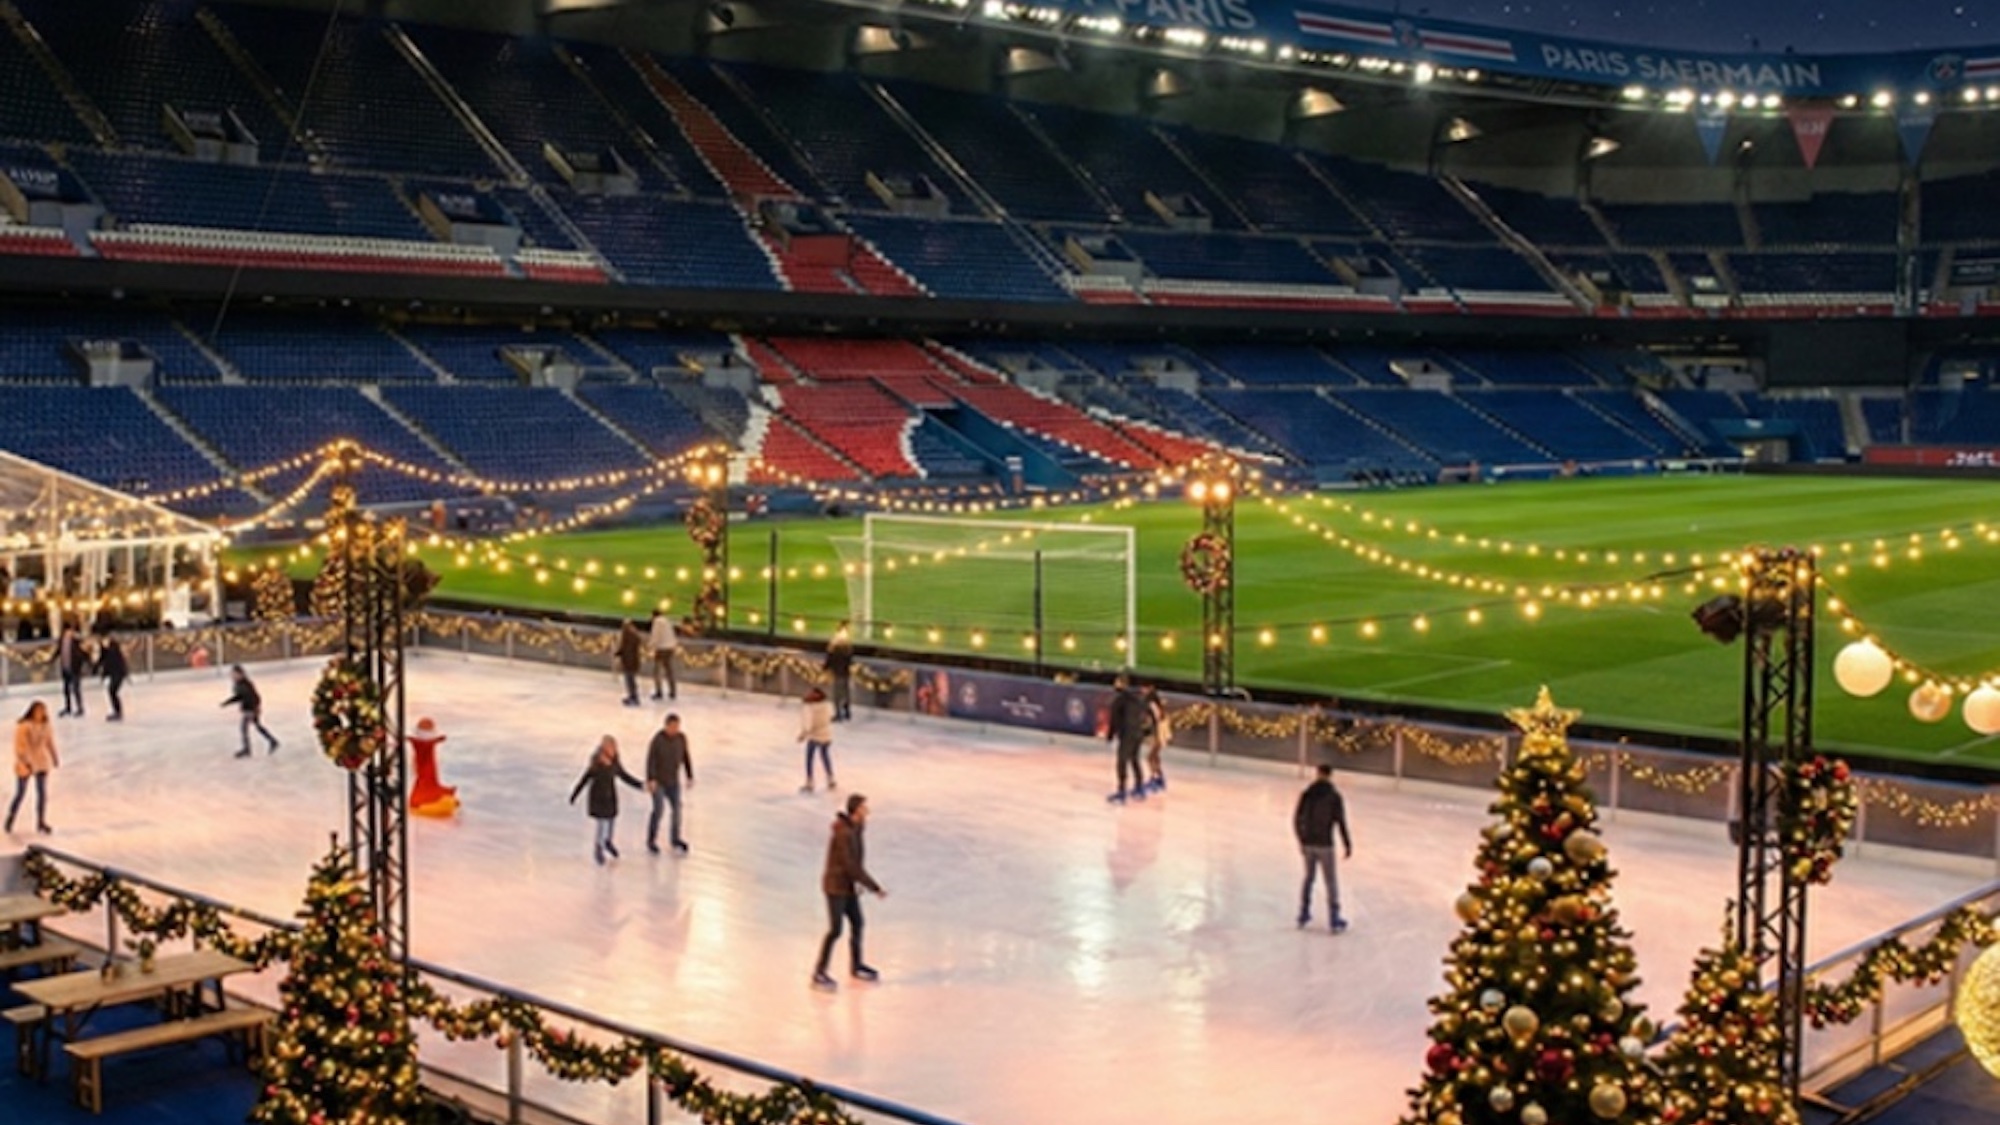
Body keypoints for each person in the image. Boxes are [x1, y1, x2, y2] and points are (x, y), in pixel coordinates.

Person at [812, 793, 885, 990]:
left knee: (858, 923)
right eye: (864, 808)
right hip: (836, 887)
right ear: (856, 811)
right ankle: (819, 972)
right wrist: (873, 886)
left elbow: (856, 861)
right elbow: (850, 865)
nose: (867, 811)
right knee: (835, 930)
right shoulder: (844, 833)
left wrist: (859, 883)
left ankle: (856, 966)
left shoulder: (856, 828)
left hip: (848, 886)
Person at [1293, 763, 1354, 932]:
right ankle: (1334, 918)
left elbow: (1297, 819)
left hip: (1309, 843)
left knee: (1308, 878)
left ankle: (1303, 912)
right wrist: (1347, 843)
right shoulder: (1334, 797)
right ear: (1330, 775)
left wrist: (1301, 839)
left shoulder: (1307, 794)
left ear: (1318, 773)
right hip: (1325, 844)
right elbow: (1341, 822)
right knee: (1330, 881)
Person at [569, 735, 642, 865]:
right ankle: (598, 848)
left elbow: (624, 776)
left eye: (614, 748)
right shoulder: (596, 763)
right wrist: (575, 794)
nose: (613, 750)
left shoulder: (615, 763)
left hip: (610, 797)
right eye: (610, 747)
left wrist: (641, 785)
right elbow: (585, 779)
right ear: (604, 748)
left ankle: (608, 842)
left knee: (611, 822)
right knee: (602, 824)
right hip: (598, 798)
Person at [645, 713, 694, 855]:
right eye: (672, 726)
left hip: (673, 781)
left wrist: (689, 775)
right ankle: (651, 840)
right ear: (666, 726)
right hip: (659, 782)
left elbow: (686, 757)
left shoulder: (681, 739)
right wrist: (651, 779)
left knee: (677, 810)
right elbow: (651, 760)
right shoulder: (657, 740)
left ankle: (675, 838)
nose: (675, 729)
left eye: (677, 726)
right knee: (658, 810)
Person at [7, 701, 58, 835]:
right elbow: (20, 747)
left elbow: (49, 742)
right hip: (26, 763)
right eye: (39, 711)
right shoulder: (23, 726)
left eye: (43, 711)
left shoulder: (45, 726)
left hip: (41, 761)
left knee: (42, 794)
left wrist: (54, 757)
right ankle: (11, 818)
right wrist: (26, 761)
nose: (41, 714)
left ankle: (41, 821)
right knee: (20, 793)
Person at [1104, 673, 1150, 804]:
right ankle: (1139, 787)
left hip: (1127, 734)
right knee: (1134, 759)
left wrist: (1110, 736)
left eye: (1117, 682)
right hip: (1138, 734)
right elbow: (1145, 715)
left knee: (1122, 761)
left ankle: (1122, 791)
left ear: (1122, 684)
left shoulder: (1120, 699)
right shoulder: (1139, 698)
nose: (1114, 684)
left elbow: (1114, 719)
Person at [222, 665, 279, 758]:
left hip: (250, 710)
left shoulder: (244, 684)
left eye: (234, 674)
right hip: (251, 709)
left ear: (240, 674)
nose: (232, 676)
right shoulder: (240, 684)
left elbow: (252, 697)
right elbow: (241, 697)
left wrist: (254, 709)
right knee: (258, 727)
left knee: (244, 729)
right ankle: (272, 741)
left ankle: (247, 749)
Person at [798, 686, 835, 793]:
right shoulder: (827, 705)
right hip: (826, 735)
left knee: (809, 758)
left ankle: (810, 781)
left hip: (815, 736)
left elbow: (808, 724)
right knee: (825, 756)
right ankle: (830, 778)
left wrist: (803, 734)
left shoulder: (809, 707)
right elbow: (831, 716)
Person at [56, 622, 88, 718]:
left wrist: (83, 662)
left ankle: (80, 708)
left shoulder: (76, 640)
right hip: (65, 667)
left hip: (74, 668)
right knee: (66, 689)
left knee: (76, 689)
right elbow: (58, 651)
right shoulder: (62, 639)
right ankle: (68, 707)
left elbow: (83, 652)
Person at [824, 622, 855, 722]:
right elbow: (850, 660)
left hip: (838, 672)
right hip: (845, 672)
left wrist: (826, 668)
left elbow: (830, 657)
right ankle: (847, 711)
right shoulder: (847, 645)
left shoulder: (835, 644)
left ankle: (838, 713)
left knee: (837, 694)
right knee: (845, 692)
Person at [648, 608, 680, 702]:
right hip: (670, 647)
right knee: (669, 670)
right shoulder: (667, 621)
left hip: (662, 648)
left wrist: (650, 645)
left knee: (657, 671)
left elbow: (656, 636)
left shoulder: (657, 622)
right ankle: (673, 691)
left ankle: (659, 692)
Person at [1143, 684, 1170, 792]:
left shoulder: (1151, 704)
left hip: (1159, 733)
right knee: (1154, 756)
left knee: (1150, 757)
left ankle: (1155, 778)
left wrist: (1155, 734)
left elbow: (1157, 719)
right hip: (1159, 733)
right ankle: (1158, 777)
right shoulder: (1155, 704)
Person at [97, 633, 129, 722]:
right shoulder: (110, 650)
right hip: (116, 674)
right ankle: (117, 711)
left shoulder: (113, 649)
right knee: (112, 692)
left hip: (118, 674)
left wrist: (103, 674)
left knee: (112, 691)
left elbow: (108, 662)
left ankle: (118, 712)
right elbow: (103, 660)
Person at [615, 620, 644, 707]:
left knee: (630, 680)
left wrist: (618, 653)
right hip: (633, 661)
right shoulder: (634, 635)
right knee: (631, 680)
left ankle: (633, 697)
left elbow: (623, 647)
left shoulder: (627, 635)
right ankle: (633, 696)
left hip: (628, 661)